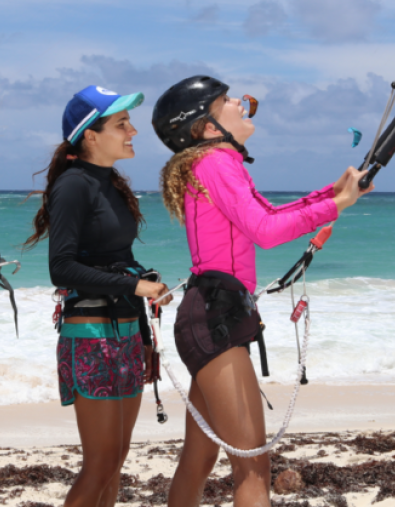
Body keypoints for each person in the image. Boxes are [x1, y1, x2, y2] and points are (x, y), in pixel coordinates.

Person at [151, 75, 371, 507]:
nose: (241, 103)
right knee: (252, 466)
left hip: (213, 313)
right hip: (215, 316)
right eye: (228, 100)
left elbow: (267, 213)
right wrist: (337, 206)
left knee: (199, 457)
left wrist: (332, 193)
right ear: (210, 128)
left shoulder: (215, 162)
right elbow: (266, 231)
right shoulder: (216, 162)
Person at [23, 85, 173, 507]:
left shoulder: (112, 184)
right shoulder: (73, 185)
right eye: (121, 124)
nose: (133, 131)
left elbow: (120, 261)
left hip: (125, 333)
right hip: (89, 334)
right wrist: (135, 286)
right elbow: (62, 268)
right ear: (90, 134)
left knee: (116, 461)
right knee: (102, 461)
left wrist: (144, 337)